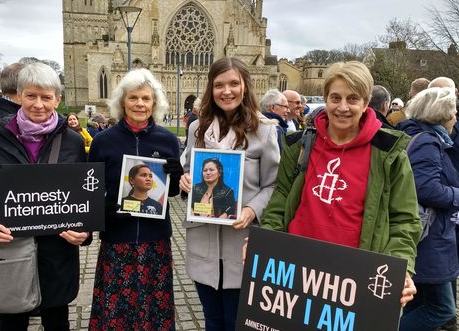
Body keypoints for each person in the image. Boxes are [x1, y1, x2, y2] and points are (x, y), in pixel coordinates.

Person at [260, 61, 421, 309]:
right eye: (335, 98)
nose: (343, 107)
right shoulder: (300, 146)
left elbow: (405, 221)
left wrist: (401, 269)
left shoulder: (389, 154)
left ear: (366, 102)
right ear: (325, 98)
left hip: (354, 281)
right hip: (297, 277)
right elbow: (281, 196)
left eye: (352, 98)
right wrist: (266, 240)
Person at [0, 62, 90, 331]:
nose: (39, 104)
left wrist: (85, 231)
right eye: (31, 96)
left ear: (58, 99)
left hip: (56, 253)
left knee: (57, 322)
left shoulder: (73, 142)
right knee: (12, 322)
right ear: (19, 95)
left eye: (46, 97)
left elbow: (84, 196)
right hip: (10, 249)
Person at [179, 57, 279, 331]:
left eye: (234, 83)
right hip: (204, 239)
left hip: (243, 242)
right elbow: (189, 172)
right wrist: (185, 182)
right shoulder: (196, 129)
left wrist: (252, 210)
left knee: (238, 323)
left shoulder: (265, 131)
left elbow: (274, 186)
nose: (227, 91)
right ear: (210, 89)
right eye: (219, 84)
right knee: (212, 320)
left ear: (245, 86)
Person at [87, 68, 182, 330]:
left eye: (146, 98)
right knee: (116, 310)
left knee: (154, 309)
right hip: (118, 237)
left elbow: (171, 193)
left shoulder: (168, 140)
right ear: (122, 102)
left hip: (155, 238)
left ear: (154, 103)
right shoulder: (103, 141)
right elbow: (91, 191)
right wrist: (108, 210)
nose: (140, 104)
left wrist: (176, 176)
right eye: (133, 98)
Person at [398, 87, 459, 331]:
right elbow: (425, 188)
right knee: (442, 308)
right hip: (429, 236)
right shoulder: (428, 142)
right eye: (454, 113)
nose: (456, 118)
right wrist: (457, 194)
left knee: (417, 303)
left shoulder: (426, 138)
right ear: (441, 115)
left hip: (429, 234)